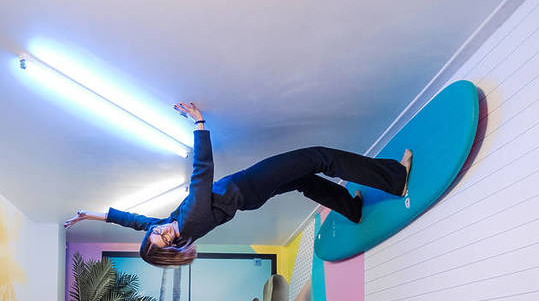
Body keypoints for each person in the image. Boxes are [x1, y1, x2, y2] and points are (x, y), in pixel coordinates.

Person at [65, 103, 412, 267]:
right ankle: (394, 180)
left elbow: (132, 219)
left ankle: (351, 208)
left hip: (250, 195)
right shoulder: (189, 223)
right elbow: (201, 174)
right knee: (319, 157)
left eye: (157, 235)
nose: (164, 232)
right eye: (167, 240)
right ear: (174, 246)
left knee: (305, 181)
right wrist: (199, 124)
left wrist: (91, 215)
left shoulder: (170, 227)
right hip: (251, 186)